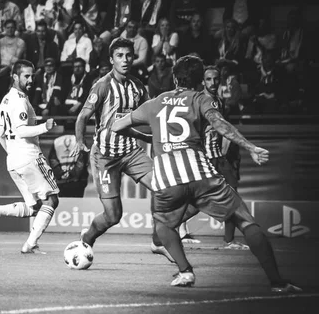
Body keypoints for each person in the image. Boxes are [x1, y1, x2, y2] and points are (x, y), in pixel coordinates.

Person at [110, 55, 301, 292]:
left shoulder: (155, 102)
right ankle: (277, 282)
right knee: (245, 220)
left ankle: (185, 271)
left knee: (163, 226)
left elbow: (117, 126)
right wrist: (250, 147)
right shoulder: (200, 99)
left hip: (167, 179)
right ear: (200, 80)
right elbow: (220, 124)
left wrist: (146, 136)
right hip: (202, 174)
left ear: (174, 77)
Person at [73, 37, 188, 263]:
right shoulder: (102, 86)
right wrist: (80, 142)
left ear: (133, 58)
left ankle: (157, 241)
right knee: (113, 216)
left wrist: (156, 136)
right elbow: (82, 117)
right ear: (111, 59)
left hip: (131, 153)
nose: (125, 60)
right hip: (105, 157)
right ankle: (87, 238)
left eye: (128, 55)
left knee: (165, 188)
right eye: (119, 56)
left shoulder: (137, 86)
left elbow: (151, 113)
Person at [0, 60, 59, 254]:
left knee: (34, 207)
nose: (31, 79)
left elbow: (1, 135)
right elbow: (22, 130)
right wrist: (44, 127)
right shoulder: (20, 101)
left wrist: (14, 153)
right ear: (15, 77)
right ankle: (31, 244)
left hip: (14, 160)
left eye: (32, 75)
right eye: (26, 76)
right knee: (52, 200)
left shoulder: (6, 100)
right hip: (29, 156)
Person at [186, 65, 248, 249]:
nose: (212, 83)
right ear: (202, 81)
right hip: (205, 159)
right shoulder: (198, 101)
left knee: (232, 193)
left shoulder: (219, 101)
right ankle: (165, 229)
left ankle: (229, 240)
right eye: (208, 79)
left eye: (215, 79)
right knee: (197, 201)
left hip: (219, 159)